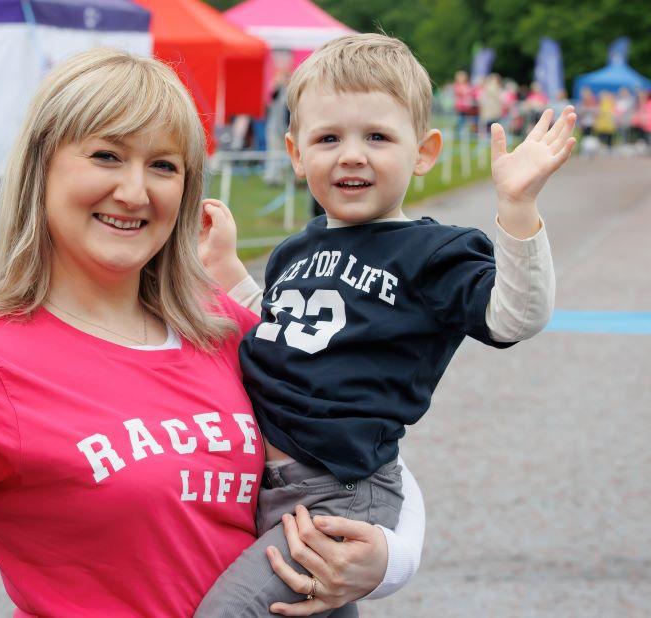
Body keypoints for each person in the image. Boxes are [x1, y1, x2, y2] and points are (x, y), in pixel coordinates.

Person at [0, 49, 426, 617]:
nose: (134, 191)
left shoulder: (221, 324)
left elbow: (370, 465)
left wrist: (386, 564)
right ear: (41, 169)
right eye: (105, 155)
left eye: (162, 166)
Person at [194, 33, 575, 616]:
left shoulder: (431, 252)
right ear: (297, 155)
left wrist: (518, 210)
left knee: (229, 612)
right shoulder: (295, 251)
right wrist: (226, 269)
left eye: (377, 136)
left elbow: (514, 317)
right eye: (328, 138)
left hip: (338, 492)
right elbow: (281, 330)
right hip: (271, 488)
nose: (351, 155)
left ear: (423, 152)